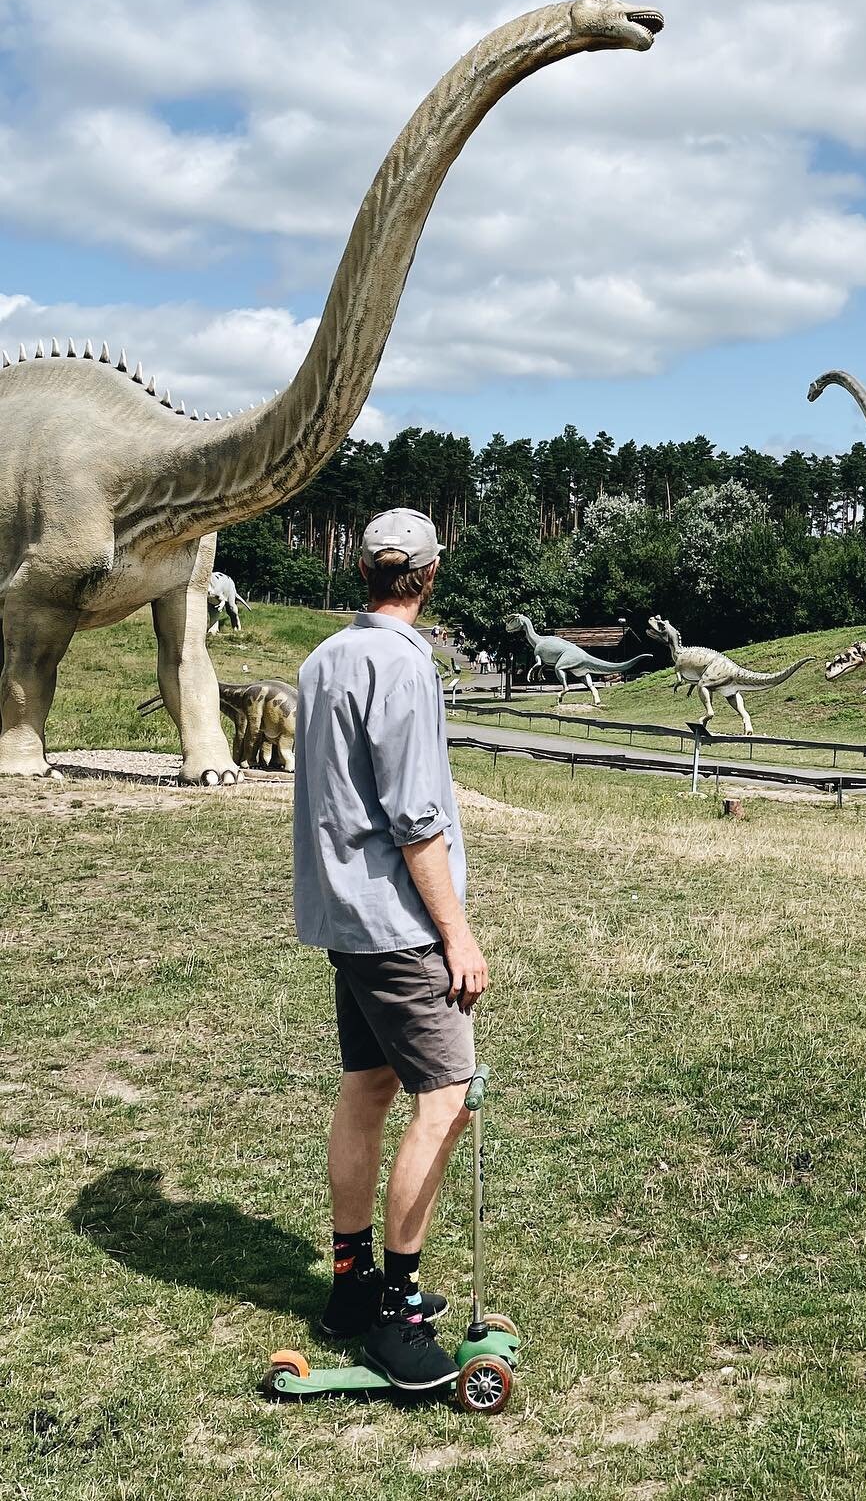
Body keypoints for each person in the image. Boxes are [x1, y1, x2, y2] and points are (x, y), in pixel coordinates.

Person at [292, 507, 489, 1392]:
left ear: (360, 571)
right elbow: (415, 817)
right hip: (402, 927)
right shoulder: (404, 667)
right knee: (444, 1099)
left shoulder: (323, 658)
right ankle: (398, 1315)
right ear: (430, 574)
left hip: (345, 920)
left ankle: (349, 1285)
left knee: (368, 1087)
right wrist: (458, 934)